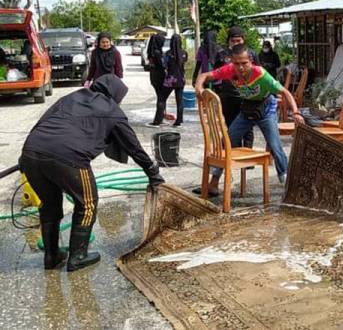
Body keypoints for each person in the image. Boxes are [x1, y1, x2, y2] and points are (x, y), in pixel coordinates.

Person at [19, 74, 164, 272]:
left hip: (30, 153)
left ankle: (51, 256)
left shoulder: (72, 97)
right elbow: (134, 147)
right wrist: (153, 172)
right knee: (87, 204)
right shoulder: (113, 111)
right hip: (69, 158)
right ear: (116, 95)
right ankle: (78, 257)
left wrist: (27, 159)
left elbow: (43, 122)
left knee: (50, 205)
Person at [195, 44, 304, 195]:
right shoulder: (229, 70)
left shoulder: (261, 74)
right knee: (226, 143)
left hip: (266, 109)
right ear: (232, 62)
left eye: (244, 63)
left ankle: (287, 183)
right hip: (247, 110)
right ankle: (213, 183)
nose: (240, 68)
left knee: (274, 145)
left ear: (250, 61)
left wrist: (296, 112)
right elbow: (204, 75)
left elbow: (285, 92)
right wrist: (199, 87)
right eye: (237, 64)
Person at [150, 34, 187, 127]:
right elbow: (184, 62)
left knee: (161, 99)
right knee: (179, 100)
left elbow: (164, 65)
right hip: (181, 79)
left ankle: (158, 120)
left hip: (170, 80)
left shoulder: (167, 54)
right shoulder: (184, 53)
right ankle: (179, 121)